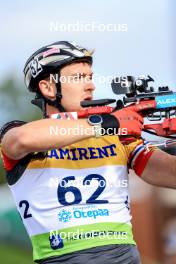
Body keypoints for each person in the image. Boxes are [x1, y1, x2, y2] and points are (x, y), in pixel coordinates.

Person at [0, 41, 176, 264]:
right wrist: (108, 122)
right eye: (78, 77)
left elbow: (168, 172)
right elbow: (20, 140)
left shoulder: (117, 136)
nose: (91, 85)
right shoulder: (25, 133)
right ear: (48, 88)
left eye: (90, 76)